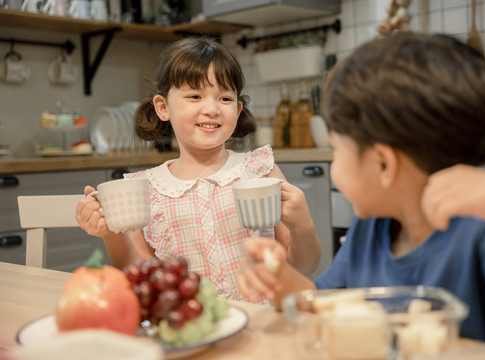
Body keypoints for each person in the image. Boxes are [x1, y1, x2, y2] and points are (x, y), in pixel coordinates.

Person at [237, 32, 485, 349]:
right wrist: (280, 279)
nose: (335, 168)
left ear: (383, 164)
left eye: (337, 150)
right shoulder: (372, 225)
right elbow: (325, 305)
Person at [76, 37, 321, 304]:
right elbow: (138, 279)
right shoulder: (144, 190)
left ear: (238, 110)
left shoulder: (260, 171)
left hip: (262, 328)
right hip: (191, 329)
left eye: (225, 98)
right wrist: (112, 235)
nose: (212, 109)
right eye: (195, 96)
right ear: (162, 107)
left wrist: (303, 226)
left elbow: (303, 267)